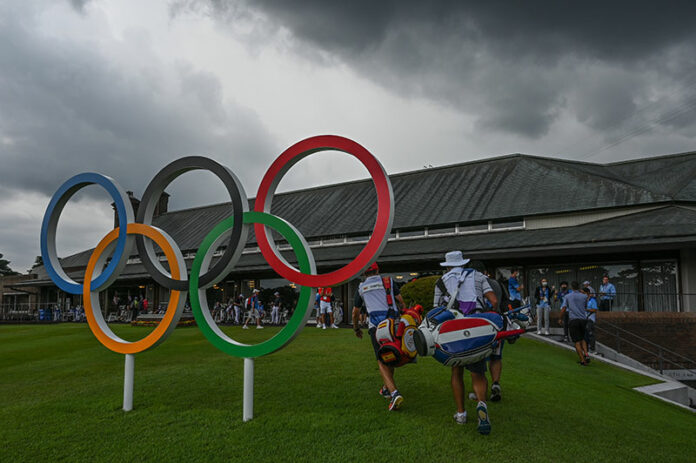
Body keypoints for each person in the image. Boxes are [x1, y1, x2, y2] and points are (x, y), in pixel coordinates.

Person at [433, 251, 497, 435]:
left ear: (448, 265)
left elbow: (436, 310)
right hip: (476, 329)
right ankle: (481, 404)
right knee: (478, 373)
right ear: (464, 262)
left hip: (454, 331)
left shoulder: (441, 282)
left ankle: (461, 413)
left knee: (456, 371)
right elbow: (493, 300)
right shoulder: (478, 276)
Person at [352, 262, 406, 412]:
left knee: (381, 360)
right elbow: (401, 302)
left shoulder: (361, 288)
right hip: (394, 323)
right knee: (391, 355)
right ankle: (387, 388)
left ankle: (394, 393)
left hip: (376, 327)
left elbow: (355, 312)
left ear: (364, 274)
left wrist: (356, 328)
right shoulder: (388, 282)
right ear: (377, 270)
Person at [560, 281, 590, 365]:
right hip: (583, 319)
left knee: (577, 341)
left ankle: (582, 360)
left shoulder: (568, 296)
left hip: (573, 320)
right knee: (583, 338)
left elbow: (563, 308)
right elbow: (585, 306)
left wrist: (560, 318)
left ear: (571, 287)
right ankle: (586, 354)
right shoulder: (584, 296)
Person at [585, 288, 598, 353]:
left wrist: (587, 310)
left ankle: (592, 347)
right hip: (584, 319)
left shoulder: (592, 300)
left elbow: (595, 309)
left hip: (590, 319)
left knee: (590, 332)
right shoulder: (584, 300)